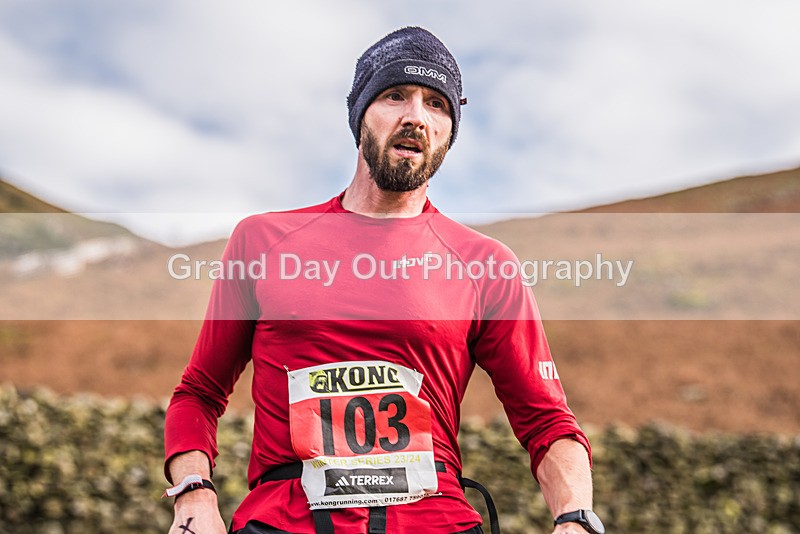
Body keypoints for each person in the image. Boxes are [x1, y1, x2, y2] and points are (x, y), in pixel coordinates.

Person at [164, 27, 602, 534]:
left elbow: (547, 422)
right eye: (395, 95)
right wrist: (192, 497)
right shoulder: (263, 241)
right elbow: (198, 393)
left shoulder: (486, 264)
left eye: (437, 104)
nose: (416, 115)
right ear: (360, 115)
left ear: (448, 132)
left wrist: (576, 518)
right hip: (283, 523)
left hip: (436, 522)